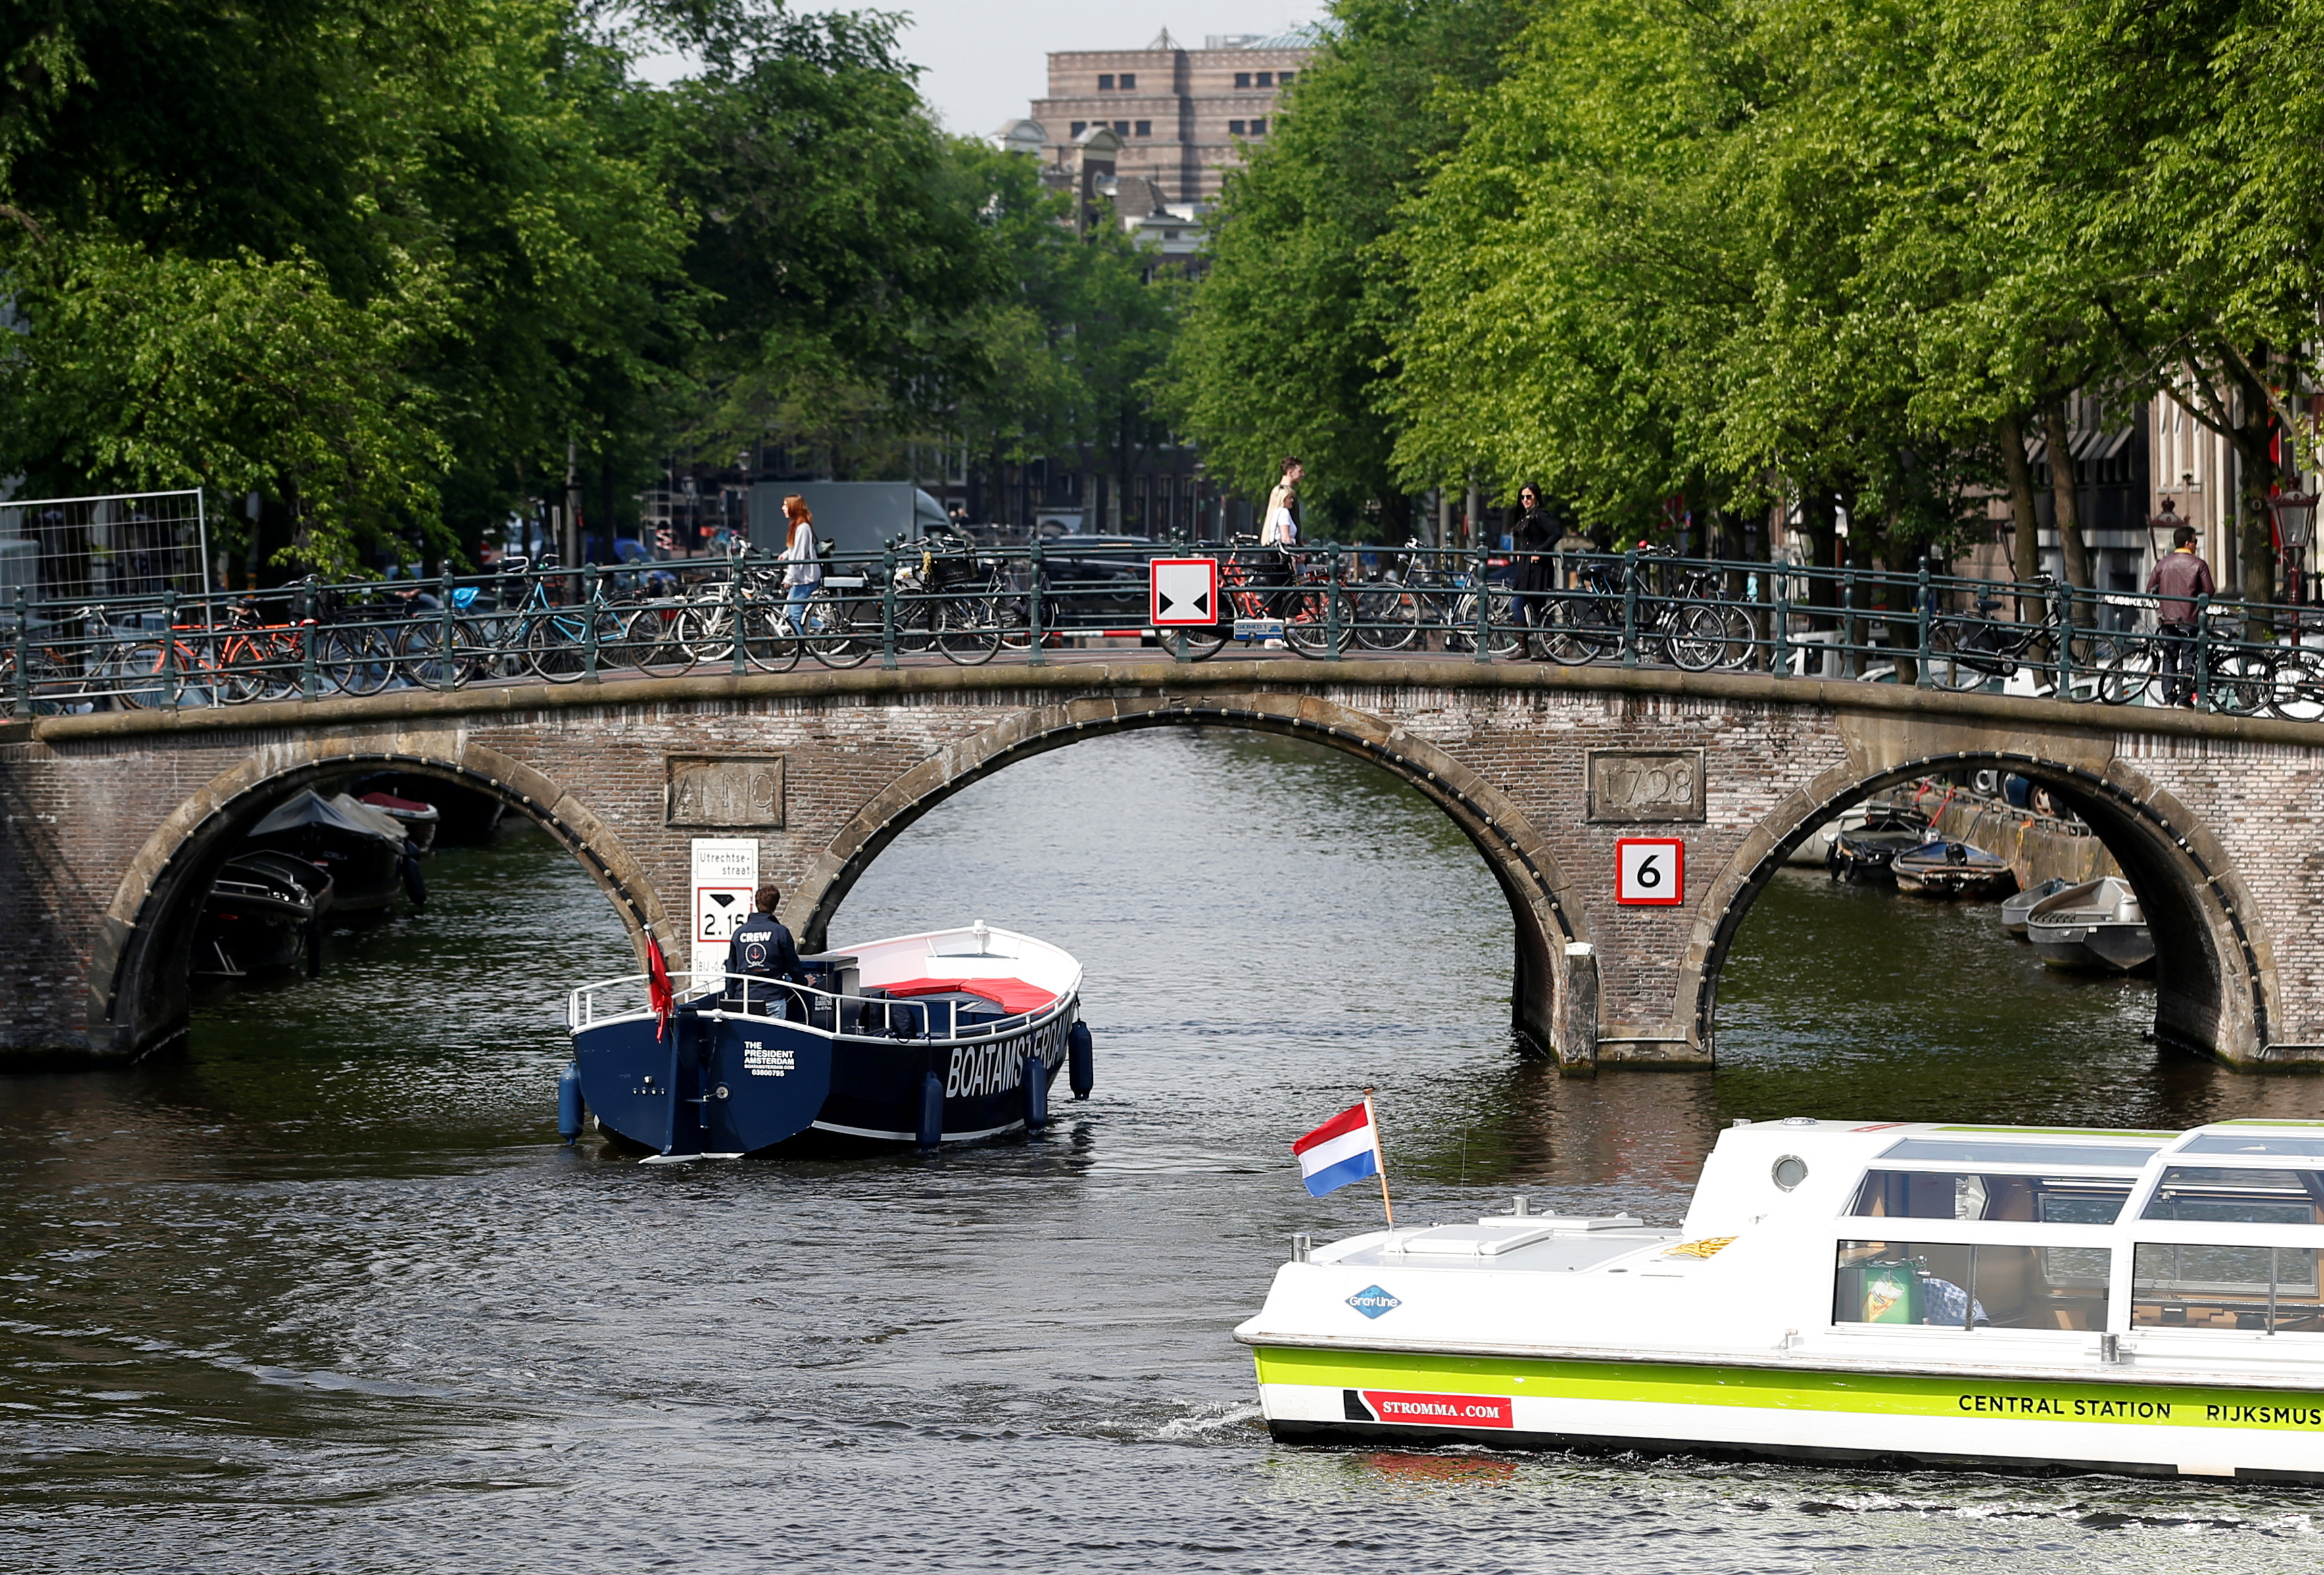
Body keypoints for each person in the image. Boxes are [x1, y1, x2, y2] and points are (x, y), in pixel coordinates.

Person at [2145, 523, 2215, 705]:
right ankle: (2184, 700)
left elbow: (2149, 589)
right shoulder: (2199, 564)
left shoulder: (2162, 564)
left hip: (2167, 619)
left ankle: (2168, 699)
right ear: (2188, 543)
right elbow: (2210, 591)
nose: (2197, 544)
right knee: (2189, 658)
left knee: (2169, 657)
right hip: (2190, 619)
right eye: (2195, 541)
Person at [725, 883, 806, 1016]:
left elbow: (731, 968)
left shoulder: (739, 933)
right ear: (776, 905)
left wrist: (732, 997)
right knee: (773, 1035)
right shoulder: (780, 932)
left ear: (756, 903)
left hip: (744, 1000)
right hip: (772, 998)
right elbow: (793, 965)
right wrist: (803, 983)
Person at [1506, 483, 1555, 659]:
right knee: (1539, 608)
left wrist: (1540, 551)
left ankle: (1523, 647)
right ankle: (1550, 648)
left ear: (1536, 498)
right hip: (1526, 566)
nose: (1525, 500)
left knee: (1517, 604)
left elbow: (1556, 534)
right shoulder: (1526, 515)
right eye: (1523, 497)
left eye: (1529, 497)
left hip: (1537, 568)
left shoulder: (1541, 514)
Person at [1256, 456, 1303, 631]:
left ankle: (1281, 634)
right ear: (1290, 472)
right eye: (1300, 471)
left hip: (1274, 551)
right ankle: (1282, 634)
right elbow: (1288, 532)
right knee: (1286, 593)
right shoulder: (1284, 498)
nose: (1303, 474)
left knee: (1278, 594)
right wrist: (1296, 550)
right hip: (1280, 554)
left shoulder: (1278, 493)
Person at [780, 494, 821, 629]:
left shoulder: (802, 528)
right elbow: (797, 548)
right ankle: (820, 629)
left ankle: (803, 646)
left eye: (786, 505)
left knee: (794, 617)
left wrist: (789, 578)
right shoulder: (799, 526)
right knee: (795, 614)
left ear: (794, 507)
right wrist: (786, 554)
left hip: (805, 578)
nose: (783, 508)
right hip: (801, 577)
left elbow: (799, 556)